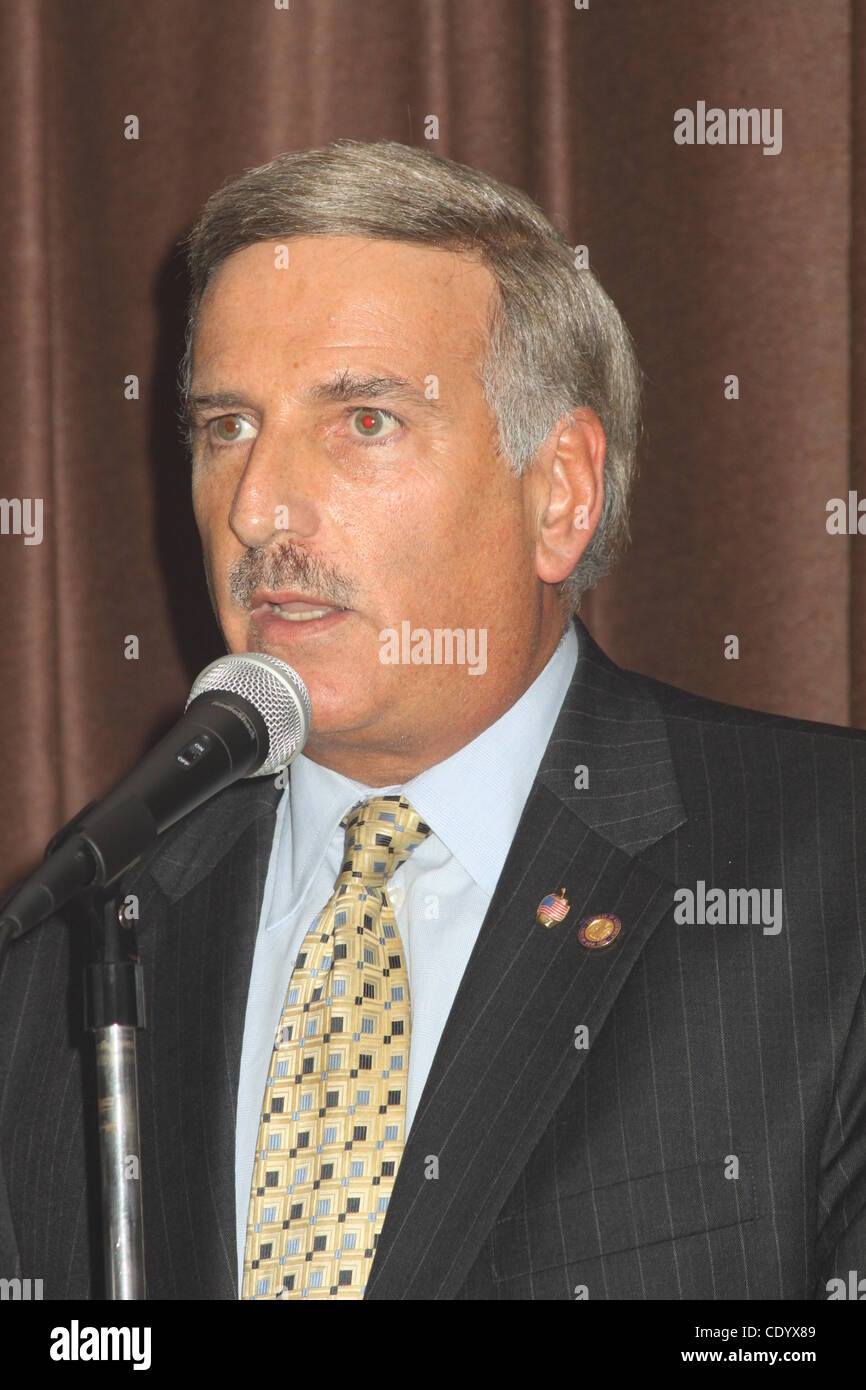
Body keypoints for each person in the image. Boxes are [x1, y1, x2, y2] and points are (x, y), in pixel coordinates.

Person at [1, 139, 864, 1301]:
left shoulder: (826, 873)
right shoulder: (78, 936)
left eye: (362, 421)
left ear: (558, 491)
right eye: (225, 427)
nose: (256, 508)